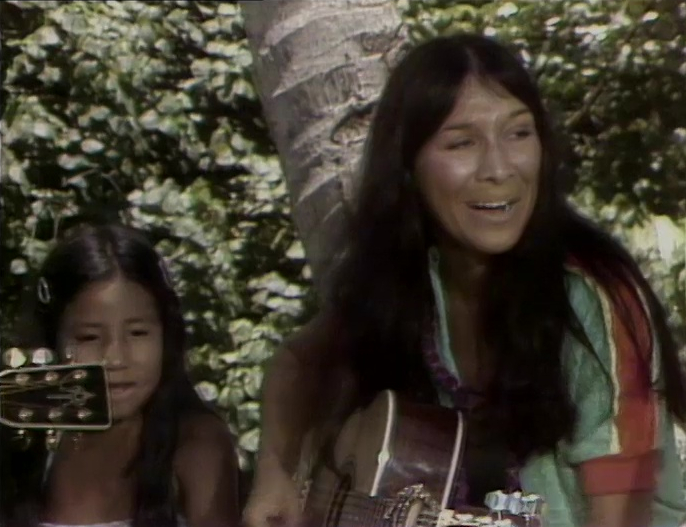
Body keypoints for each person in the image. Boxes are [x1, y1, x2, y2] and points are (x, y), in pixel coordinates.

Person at [242, 33, 686, 527]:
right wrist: (274, 473)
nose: (499, 168)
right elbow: (299, 363)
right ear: (407, 165)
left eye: (519, 133)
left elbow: (623, 516)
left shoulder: (591, 297)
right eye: (462, 143)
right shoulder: (407, 279)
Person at [0, 224, 240, 527]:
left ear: (165, 336)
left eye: (138, 333)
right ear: (52, 340)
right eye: (89, 337)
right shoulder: (21, 445)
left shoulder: (195, 445)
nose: (115, 359)